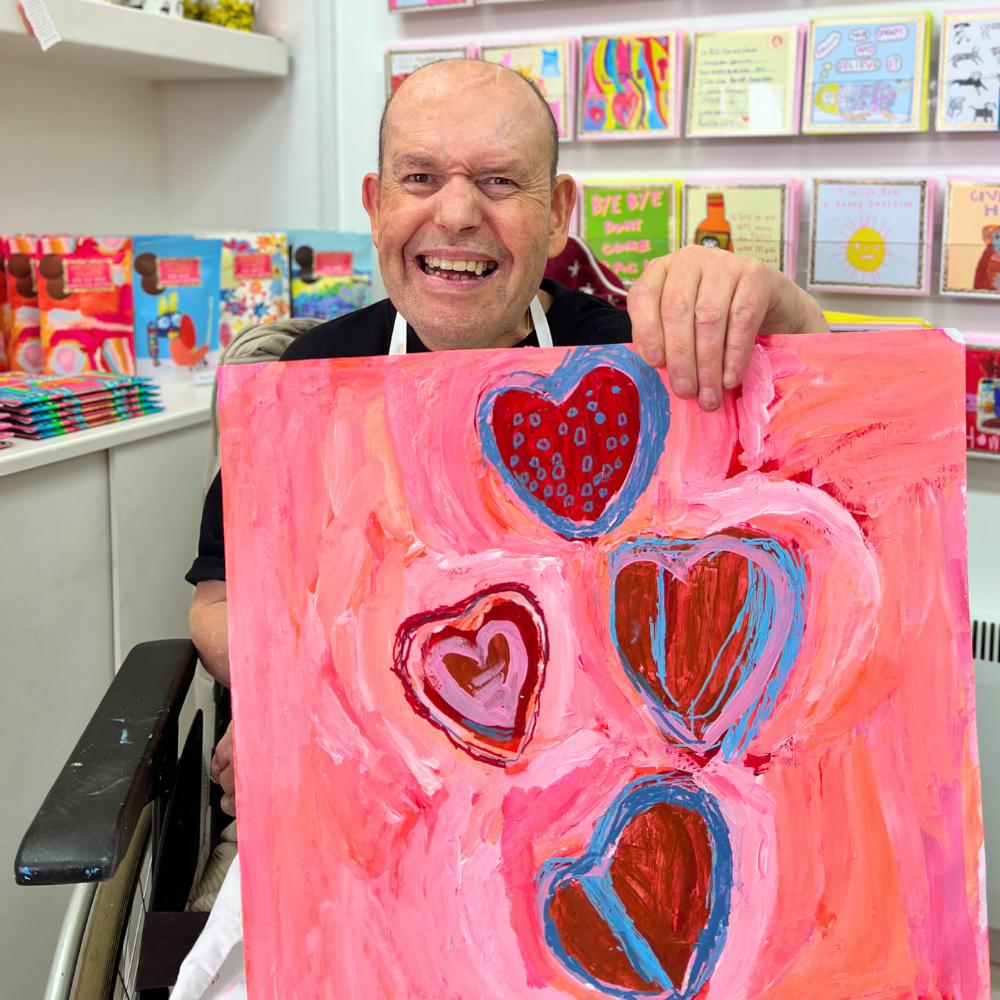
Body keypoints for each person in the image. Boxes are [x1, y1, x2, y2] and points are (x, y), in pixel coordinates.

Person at [191, 58, 829, 814]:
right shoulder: (307, 380)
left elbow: (814, 490)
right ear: (375, 203)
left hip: (589, 805)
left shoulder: (640, 363)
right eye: (420, 177)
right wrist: (298, 699)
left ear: (558, 213)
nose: (456, 214)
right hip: (363, 806)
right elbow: (217, 598)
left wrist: (786, 316)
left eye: (498, 181)